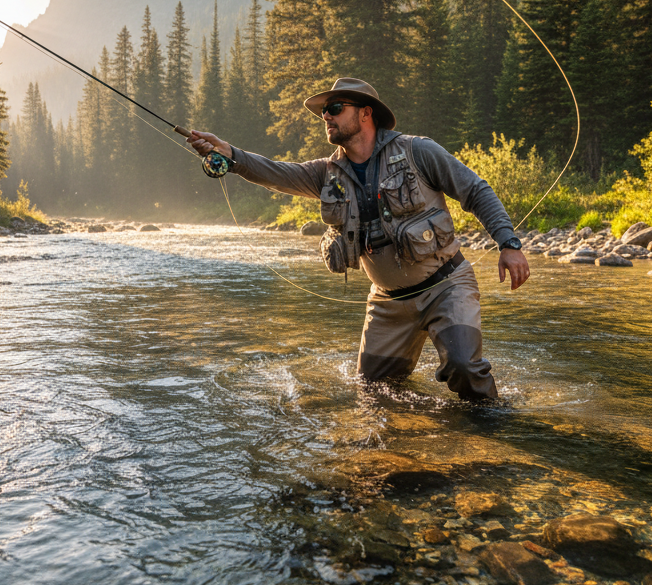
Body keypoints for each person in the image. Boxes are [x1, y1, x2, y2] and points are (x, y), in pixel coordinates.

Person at [187, 77, 529, 401]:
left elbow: (475, 190)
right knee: (375, 393)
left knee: (464, 368)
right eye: (324, 111)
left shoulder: (418, 152)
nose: (326, 116)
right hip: (387, 304)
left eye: (335, 108)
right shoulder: (325, 173)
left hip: (446, 287)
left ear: (365, 113)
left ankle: (495, 436)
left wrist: (508, 244)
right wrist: (229, 154)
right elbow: (274, 172)